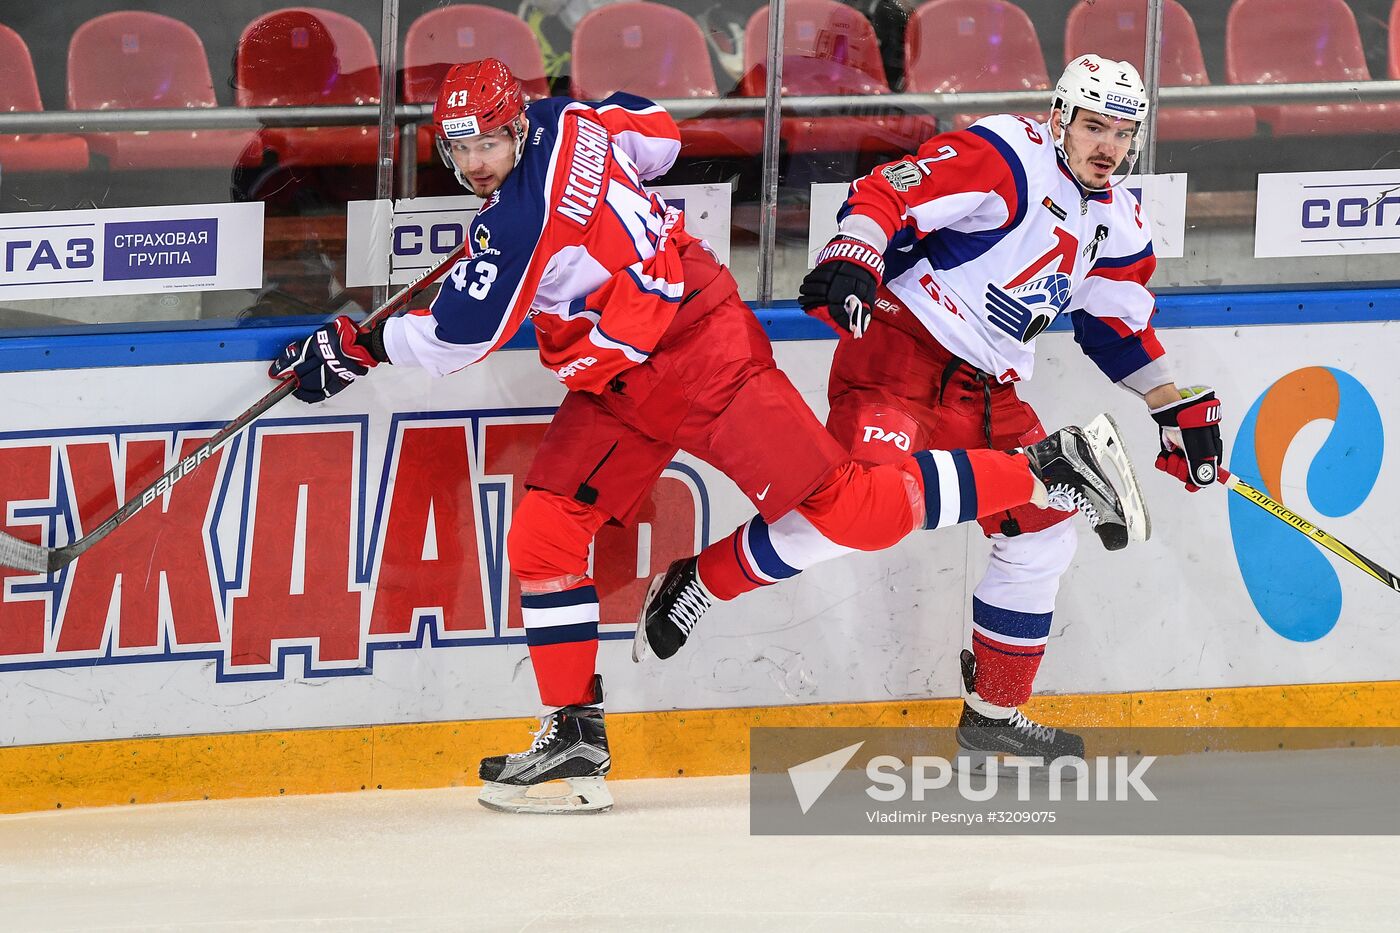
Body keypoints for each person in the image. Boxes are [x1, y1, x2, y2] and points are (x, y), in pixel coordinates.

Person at [268, 58, 1137, 813]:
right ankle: (574, 734)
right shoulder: (570, 118)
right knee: (543, 534)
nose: (476, 163)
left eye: (488, 145)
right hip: (621, 382)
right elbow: (658, 136)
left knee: (859, 511)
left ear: (511, 128)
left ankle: (1043, 469)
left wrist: (355, 348)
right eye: (461, 150)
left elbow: (457, 339)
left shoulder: (516, 221)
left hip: (702, 353)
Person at [639, 55, 1223, 767]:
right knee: (857, 515)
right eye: (1094, 126)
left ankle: (994, 713)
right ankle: (702, 579)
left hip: (989, 391)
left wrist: (1177, 408)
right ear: (1060, 118)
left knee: (1045, 534)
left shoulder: (1123, 223)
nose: (1109, 146)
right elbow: (892, 188)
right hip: (901, 354)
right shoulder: (1007, 152)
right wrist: (857, 251)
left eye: (1123, 132)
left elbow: (1118, 329)